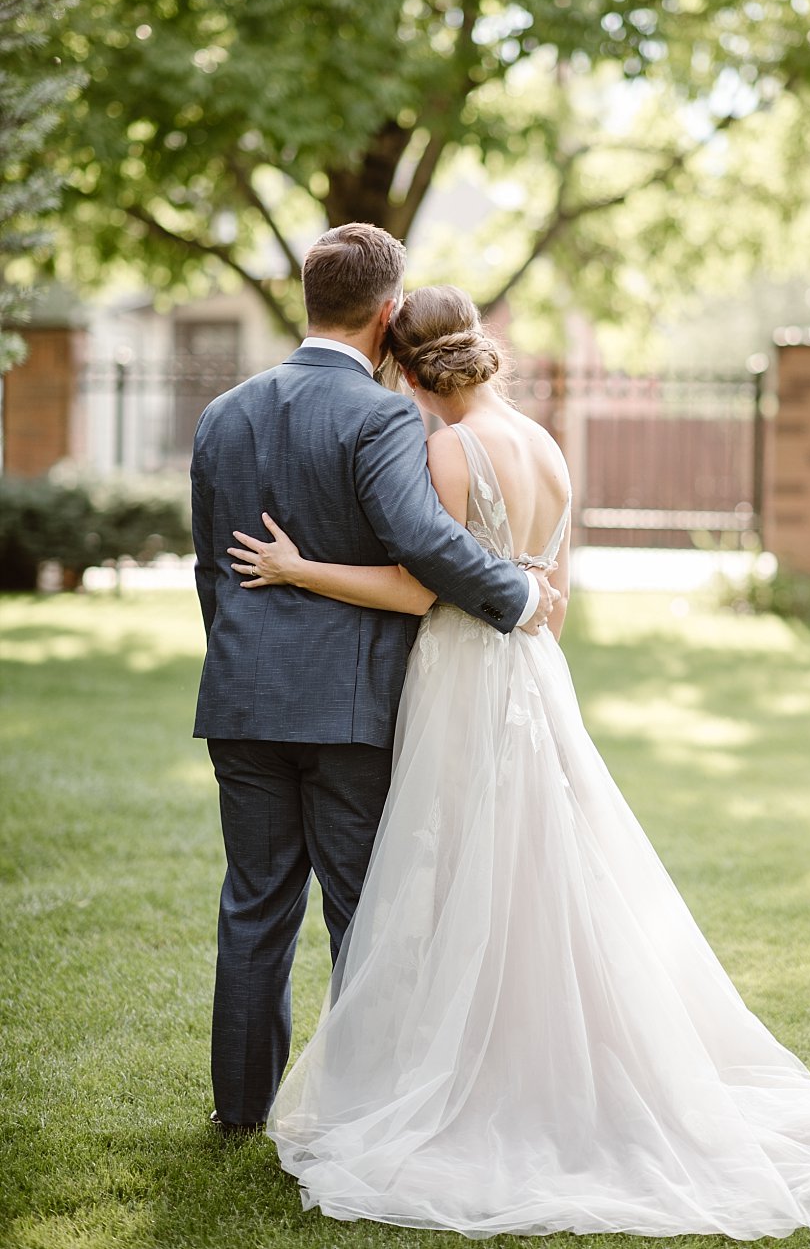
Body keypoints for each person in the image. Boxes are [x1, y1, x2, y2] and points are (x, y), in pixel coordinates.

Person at [231, 281, 810, 1238]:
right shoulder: (545, 444)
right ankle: (544, 1054)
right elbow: (545, 592)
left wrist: (298, 568)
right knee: (540, 867)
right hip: (536, 678)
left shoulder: (448, 449)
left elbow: (422, 590)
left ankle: (471, 1076)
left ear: (407, 368)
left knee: (461, 869)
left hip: (465, 677)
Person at [190, 224, 559, 1139]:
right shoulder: (383, 416)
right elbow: (424, 542)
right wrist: (517, 594)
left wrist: (244, 661)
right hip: (350, 707)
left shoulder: (223, 413)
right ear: (388, 311)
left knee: (253, 906)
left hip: (243, 699)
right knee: (364, 910)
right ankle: (362, 1109)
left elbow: (210, 571)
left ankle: (239, 1112)